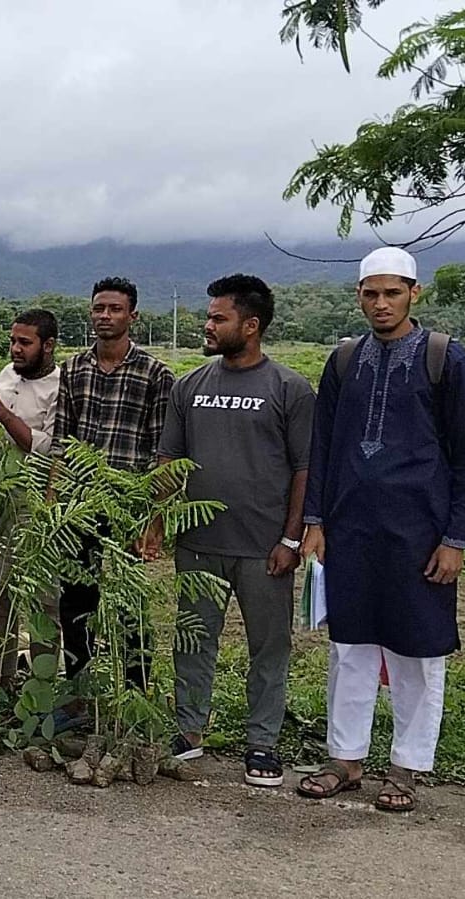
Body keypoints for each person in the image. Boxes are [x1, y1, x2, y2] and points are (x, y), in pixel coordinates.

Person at [297, 247, 465, 813]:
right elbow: (323, 446)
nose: (381, 303)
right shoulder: (344, 360)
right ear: (358, 296)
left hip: (421, 534)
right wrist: (314, 521)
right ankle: (345, 760)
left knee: (417, 652)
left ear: (414, 294)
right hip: (351, 529)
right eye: (371, 293)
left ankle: (406, 767)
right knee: (349, 647)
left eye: (392, 293)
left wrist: (456, 539)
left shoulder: (446, 359)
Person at [156, 275, 314, 788]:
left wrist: (290, 540)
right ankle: (188, 732)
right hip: (199, 544)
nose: (208, 325)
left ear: (251, 325)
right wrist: (157, 521)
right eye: (208, 316)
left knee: (269, 648)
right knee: (193, 641)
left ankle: (262, 743)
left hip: (263, 549)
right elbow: (168, 461)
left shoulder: (289, 388)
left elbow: (304, 470)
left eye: (217, 318)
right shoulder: (190, 386)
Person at [53, 276, 174, 700]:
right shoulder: (72, 368)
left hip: (128, 505)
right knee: (76, 601)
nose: (105, 316)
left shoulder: (155, 374)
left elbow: (164, 451)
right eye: (99, 308)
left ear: (133, 316)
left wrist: (155, 518)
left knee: (127, 603)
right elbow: (61, 442)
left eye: (115, 309)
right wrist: (55, 504)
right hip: (79, 504)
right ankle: (79, 692)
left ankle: (135, 696)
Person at [0, 308, 62, 689]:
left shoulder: (63, 385)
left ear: (49, 345)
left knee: (45, 600)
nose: (15, 349)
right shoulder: (7, 375)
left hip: (39, 501)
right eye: (13, 341)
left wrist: (6, 417)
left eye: (25, 343)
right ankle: (0, 680)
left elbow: (48, 448)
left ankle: (41, 686)